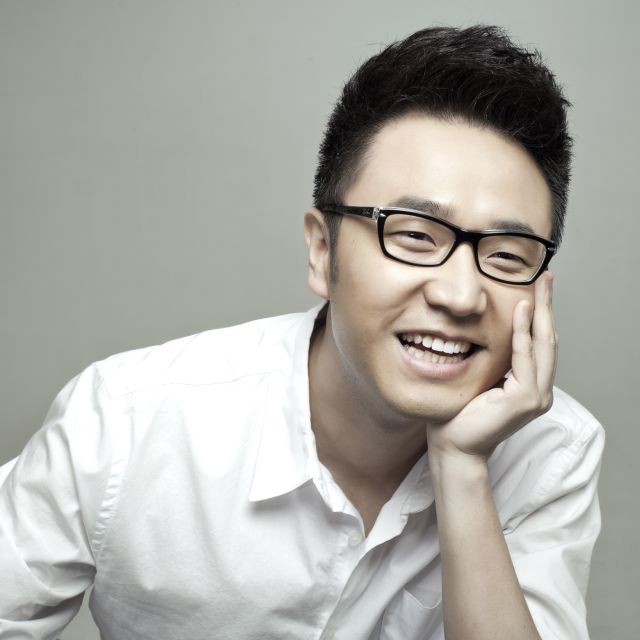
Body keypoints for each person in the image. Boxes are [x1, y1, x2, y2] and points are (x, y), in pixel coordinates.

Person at [0, 25, 604, 640]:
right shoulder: (127, 421)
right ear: (322, 251)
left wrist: (462, 465)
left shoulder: (551, 453)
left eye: (506, 256)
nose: (460, 294)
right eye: (414, 236)